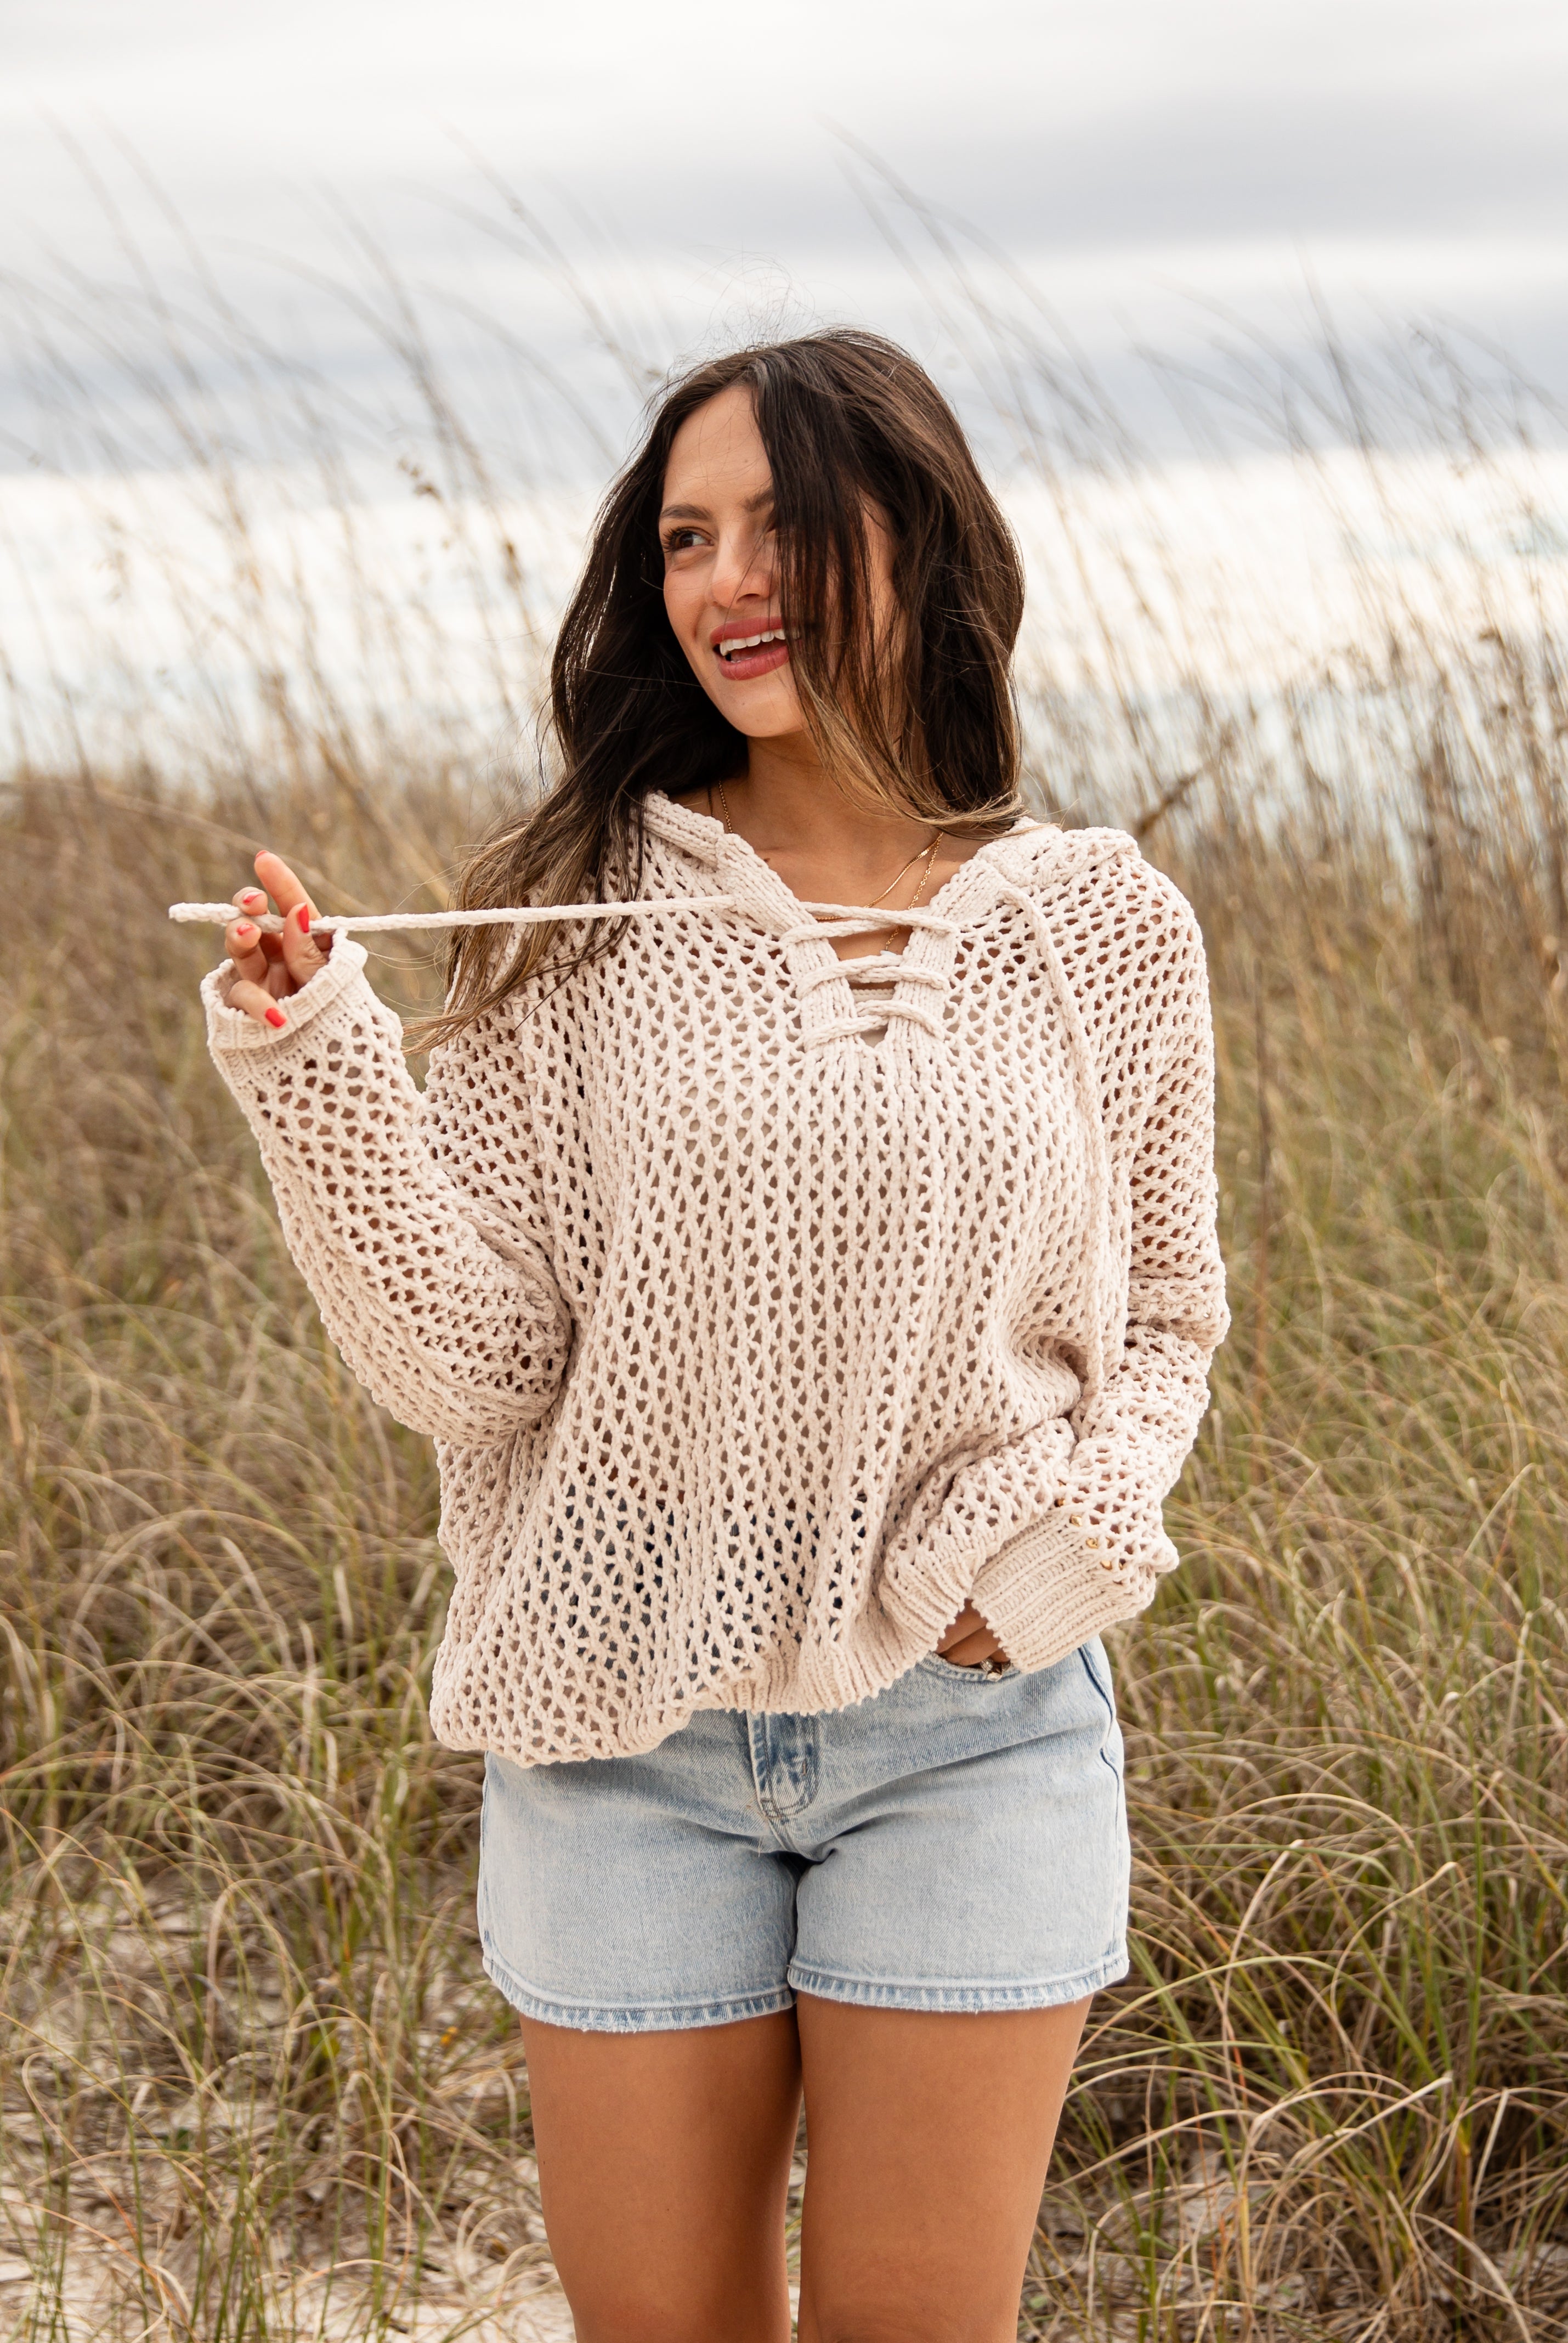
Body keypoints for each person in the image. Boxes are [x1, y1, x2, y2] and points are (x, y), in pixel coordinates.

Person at [201, 330, 1227, 2342]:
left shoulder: (1103, 926)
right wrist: (314, 1064)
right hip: (620, 1734)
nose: (725, 581)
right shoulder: (576, 912)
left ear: (917, 538)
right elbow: (474, 1369)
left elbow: (1169, 1320)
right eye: (684, 537)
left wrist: (1057, 1563)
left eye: (779, 524)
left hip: (971, 1728)